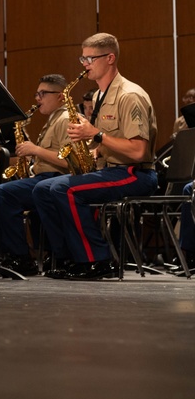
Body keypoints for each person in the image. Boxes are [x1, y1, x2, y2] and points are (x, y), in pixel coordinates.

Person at [33, 33, 158, 280]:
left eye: (90, 58)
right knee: (42, 189)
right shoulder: (100, 96)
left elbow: (138, 150)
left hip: (135, 173)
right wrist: (93, 148)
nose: (85, 64)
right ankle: (68, 257)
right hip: (110, 169)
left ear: (110, 58)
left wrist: (97, 135)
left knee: (63, 189)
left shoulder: (129, 95)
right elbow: (109, 141)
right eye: (83, 58)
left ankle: (97, 260)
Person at [0, 74, 70, 275]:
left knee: (2, 195)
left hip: (55, 180)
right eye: (37, 94)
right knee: (1, 193)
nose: (37, 99)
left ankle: (19, 257)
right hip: (43, 179)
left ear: (61, 96)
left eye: (43, 94)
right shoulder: (53, 120)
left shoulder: (66, 119)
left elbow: (70, 162)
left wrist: (36, 150)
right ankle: (12, 254)